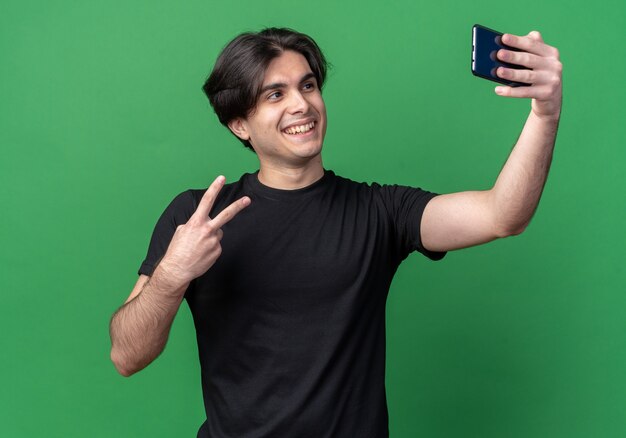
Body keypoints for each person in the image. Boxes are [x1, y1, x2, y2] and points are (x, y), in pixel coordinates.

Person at [109, 27, 562, 437]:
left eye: (308, 85)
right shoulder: (197, 217)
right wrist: (172, 273)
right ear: (238, 123)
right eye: (275, 94)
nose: (301, 103)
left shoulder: (379, 210)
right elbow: (127, 356)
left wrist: (544, 114)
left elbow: (502, 215)